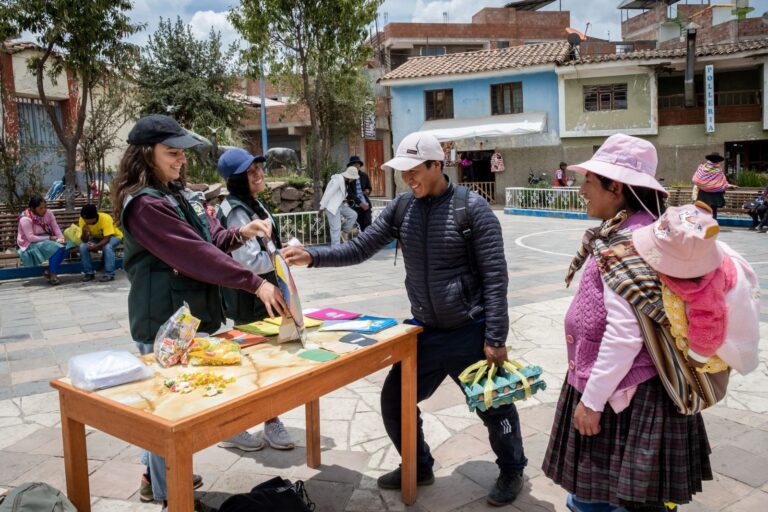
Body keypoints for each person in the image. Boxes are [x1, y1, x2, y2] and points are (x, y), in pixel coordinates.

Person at [284, 131, 528, 506]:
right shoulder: (402, 208)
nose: (409, 179)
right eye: (403, 172)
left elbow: (496, 276)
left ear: (436, 165)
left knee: (494, 405)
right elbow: (361, 247)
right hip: (425, 331)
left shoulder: (471, 208)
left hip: (470, 331)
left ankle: (512, 469)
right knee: (395, 399)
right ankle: (419, 464)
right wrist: (314, 256)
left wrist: (495, 337)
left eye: (416, 171)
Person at [112, 114, 287, 508]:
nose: (181, 161)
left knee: (169, 405)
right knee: (168, 415)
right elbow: (193, 254)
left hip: (187, 318)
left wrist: (241, 233)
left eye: (182, 154)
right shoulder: (144, 204)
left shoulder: (174, 194)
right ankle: (171, 499)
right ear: (145, 155)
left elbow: (207, 238)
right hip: (163, 321)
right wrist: (254, 282)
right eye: (171, 153)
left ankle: (153, 478)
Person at [542, 134, 711, 512]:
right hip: (620, 390)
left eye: (589, 180)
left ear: (615, 187)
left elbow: (624, 337)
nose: (581, 188)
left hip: (624, 396)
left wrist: (592, 401)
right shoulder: (633, 232)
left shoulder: (631, 243)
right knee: (607, 499)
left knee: (608, 502)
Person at [215, 147, 295, 452]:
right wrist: (280, 258)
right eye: (251, 172)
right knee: (255, 360)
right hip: (249, 294)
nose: (259, 174)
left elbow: (262, 247)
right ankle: (241, 423)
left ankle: (263, 418)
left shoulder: (251, 203)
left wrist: (277, 251)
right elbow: (248, 261)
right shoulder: (236, 209)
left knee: (265, 357)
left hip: (264, 292)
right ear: (236, 179)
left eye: (259, 168)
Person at [632, 202, 759, 377]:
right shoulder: (702, 249)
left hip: (720, 340)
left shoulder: (705, 284)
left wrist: (698, 355)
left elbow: (710, 320)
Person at [16, 195, 67, 285]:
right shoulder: (25, 219)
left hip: (45, 238)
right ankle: (53, 274)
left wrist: (61, 238)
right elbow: (31, 238)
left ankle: (49, 270)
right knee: (57, 248)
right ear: (32, 208)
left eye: (45, 207)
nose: (44, 210)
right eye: (40, 208)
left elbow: (55, 227)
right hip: (29, 243)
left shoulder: (48, 213)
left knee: (67, 246)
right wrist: (49, 238)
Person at [78, 204, 123, 282]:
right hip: (96, 238)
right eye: (84, 218)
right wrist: (84, 233)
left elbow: (107, 239)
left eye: (87, 219)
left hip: (113, 236)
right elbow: (84, 240)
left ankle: (109, 274)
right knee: (83, 246)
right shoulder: (82, 219)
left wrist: (96, 246)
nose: (85, 221)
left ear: (94, 217)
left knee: (108, 247)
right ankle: (89, 273)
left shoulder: (105, 218)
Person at [319, 166, 358, 244]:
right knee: (336, 230)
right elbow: (328, 193)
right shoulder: (337, 180)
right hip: (332, 207)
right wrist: (322, 208)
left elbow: (340, 195)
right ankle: (336, 252)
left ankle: (345, 231)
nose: (354, 179)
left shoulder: (345, 181)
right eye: (354, 177)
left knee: (353, 215)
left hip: (340, 205)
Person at [692, 151, 730, 219]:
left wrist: (705, 185)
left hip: (703, 194)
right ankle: (712, 225)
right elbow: (722, 183)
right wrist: (725, 185)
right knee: (713, 211)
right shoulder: (718, 170)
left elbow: (696, 179)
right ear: (718, 160)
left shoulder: (702, 168)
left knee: (703, 211)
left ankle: (705, 225)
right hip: (715, 195)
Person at [347, 155, 372, 231]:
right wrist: (360, 203)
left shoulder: (364, 175)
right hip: (355, 205)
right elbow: (349, 193)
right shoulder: (348, 177)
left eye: (358, 164)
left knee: (368, 225)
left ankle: (367, 241)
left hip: (366, 204)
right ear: (351, 166)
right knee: (357, 227)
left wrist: (368, 191)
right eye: (354, 164)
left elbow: (369, 188)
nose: (356, 166)